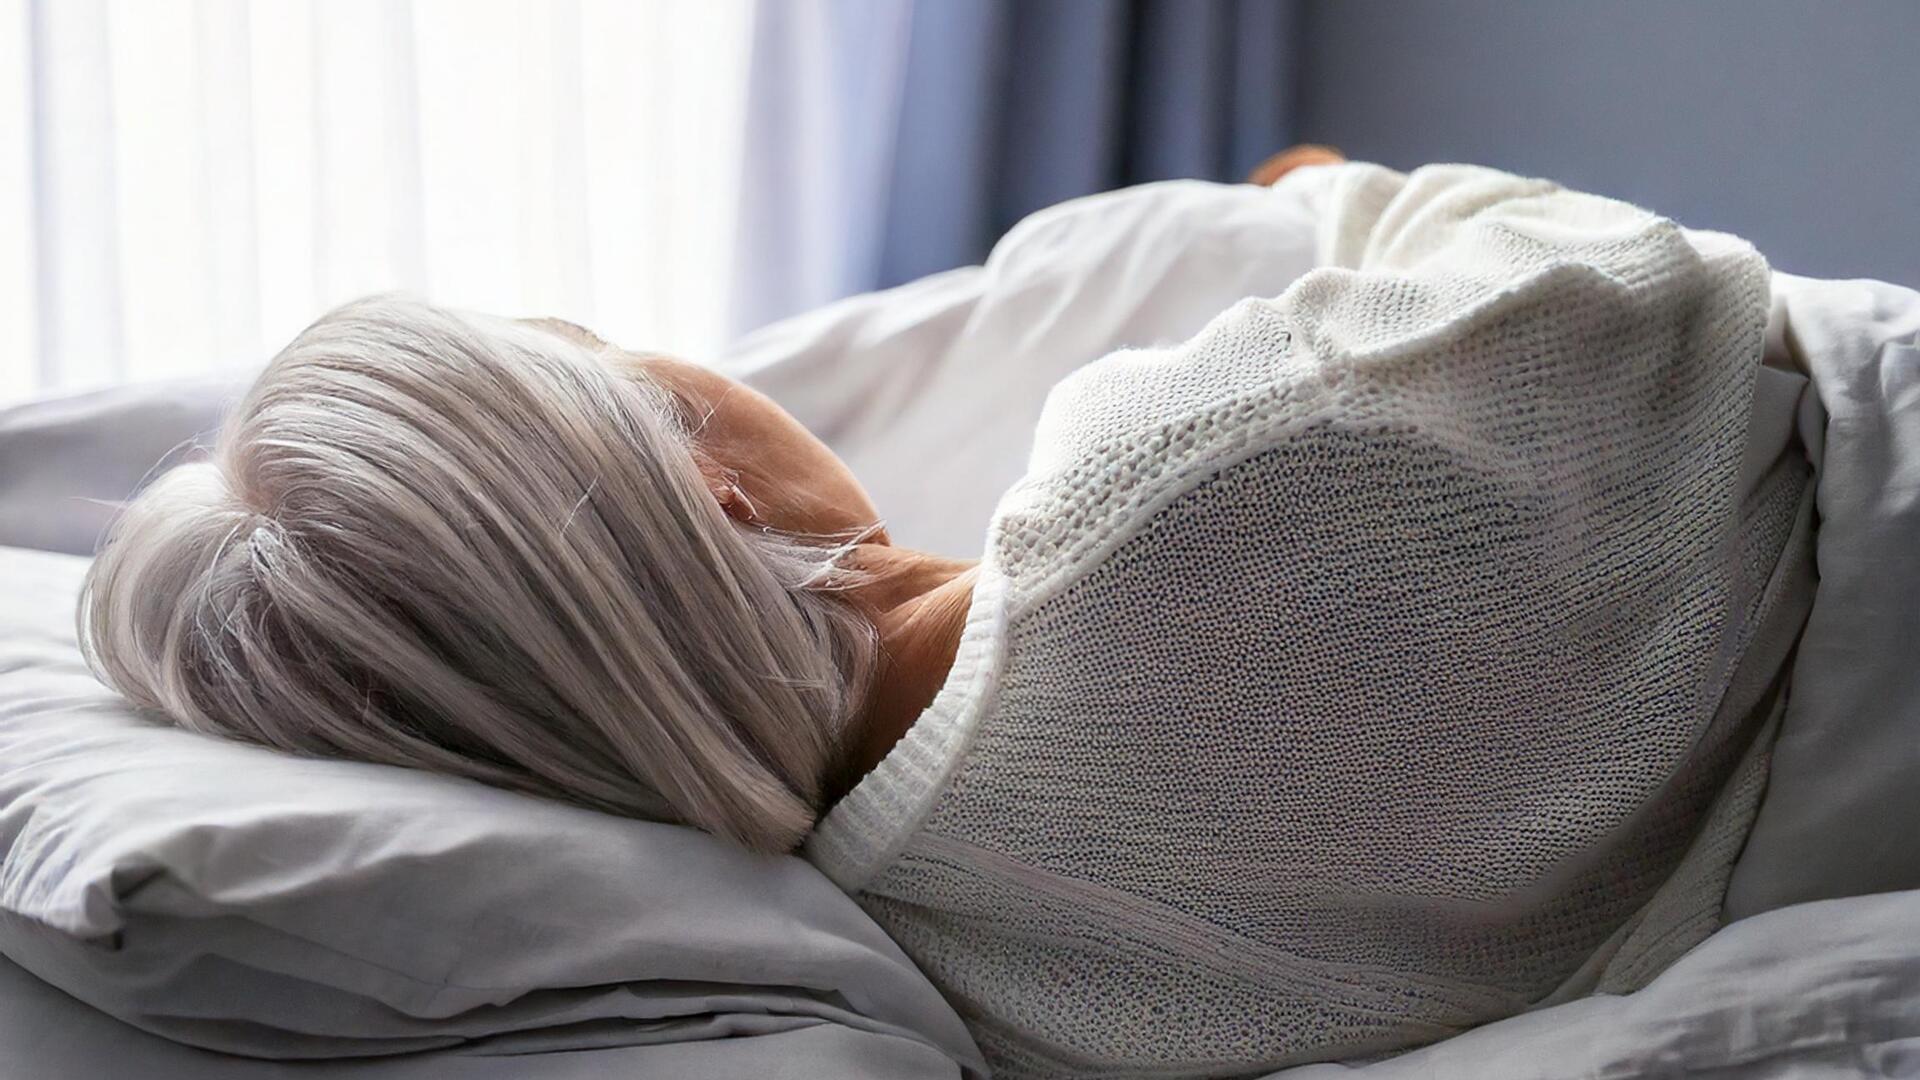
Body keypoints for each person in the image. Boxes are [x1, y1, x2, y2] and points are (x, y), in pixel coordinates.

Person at [78, 152, 1810, 1078]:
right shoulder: (1179, 480)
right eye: (604, 349)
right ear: (702, 493)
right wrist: (1349, 192)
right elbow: (1668, 289)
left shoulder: (933, 965)